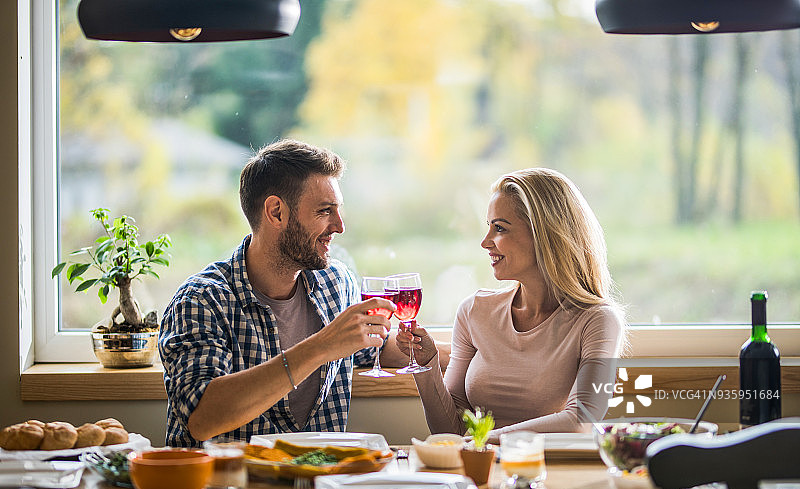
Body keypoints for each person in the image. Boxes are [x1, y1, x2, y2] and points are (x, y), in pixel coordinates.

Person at [159, 139, 408, 448]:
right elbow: (201, 418)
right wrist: (321, 346)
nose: (340, 226)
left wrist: (456, 350)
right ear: (276, 212)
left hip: (318, 482)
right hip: (227, 488)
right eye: (324, 211)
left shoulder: (336, 282)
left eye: (338, 210)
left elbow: (370, 349)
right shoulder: (201, 300)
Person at [397, 168, 626, 443]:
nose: (485, 242)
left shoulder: (599, 321)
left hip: (551, 473)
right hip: (480, 472)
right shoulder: (474, 312)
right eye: (489, 226)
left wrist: (486, 440)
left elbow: (582, 421)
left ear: (545, 234)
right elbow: (452, 432)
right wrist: (427, 366)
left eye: (500, 228)